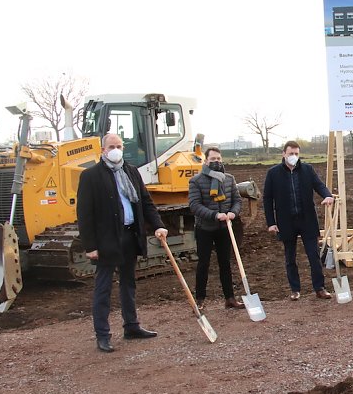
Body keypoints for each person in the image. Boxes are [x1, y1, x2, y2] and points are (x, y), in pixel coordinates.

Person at [76, 133, 169, 353]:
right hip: (107, 240)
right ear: (103, 150)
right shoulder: (91, 176)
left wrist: (158, 224)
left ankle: (132, 326)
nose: (116, 149)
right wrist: (90, 246)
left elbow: (146, 203)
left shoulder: (131, 172)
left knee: (129, 284)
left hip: (130, 236)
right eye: (111, 146)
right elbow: (84, 214)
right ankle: (103, 334)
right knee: (103, 288)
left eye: (119, 146)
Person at [263, 140, 334, 300]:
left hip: (306, 219)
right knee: (290, 257)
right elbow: (267, 199)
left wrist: (328, 195)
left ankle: (320, 287)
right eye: (290, 154)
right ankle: (295, 289)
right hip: (285, 221)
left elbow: (319, 185)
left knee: (313, 255)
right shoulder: (273, 173)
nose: (293, 156)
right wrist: (271, 222)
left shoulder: (307, 170)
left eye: (296, 154)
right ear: (284, 154)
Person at [188, 146, 245, 310]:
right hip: (205, 228)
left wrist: (233, 213)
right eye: (212, 159)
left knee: (225, 263)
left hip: (224, 228)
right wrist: (214, 215)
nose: (216, 162)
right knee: (203, 263)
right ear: (206, 161)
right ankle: (200, 300)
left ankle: (230, 298)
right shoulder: (196, 181)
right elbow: (194, 205)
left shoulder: (229, 179)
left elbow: (237, 200)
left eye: (218, 159)